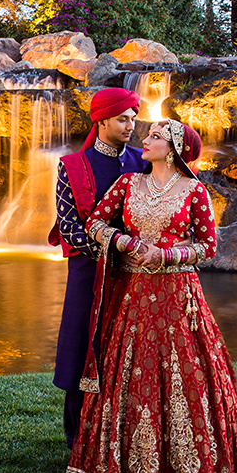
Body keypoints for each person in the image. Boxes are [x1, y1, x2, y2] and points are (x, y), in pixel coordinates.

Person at [63, 119, 237, 473]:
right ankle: (123, 470)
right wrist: (123, 241)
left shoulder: (195, 191)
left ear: (172, 148)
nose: (144, 140)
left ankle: (190, 470)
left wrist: (167, 254)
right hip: (133, 293)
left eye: (153, 136)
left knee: (185, 374)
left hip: (178, 296)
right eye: (147, 134)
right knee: (131, 374)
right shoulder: (127, 185)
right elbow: (95, 223)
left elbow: (209, 247)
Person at [49, 87, 147, 449]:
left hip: (138, 274)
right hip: (88, 271)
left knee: (132, 348)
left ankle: (127, 430)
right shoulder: (73, 166)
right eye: (123, 119)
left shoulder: (144, 162)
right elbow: (69, 228)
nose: (130, 125)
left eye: (133, 119)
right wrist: (115, 252)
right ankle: (77, 433)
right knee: (81, 344)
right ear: (101, 120)